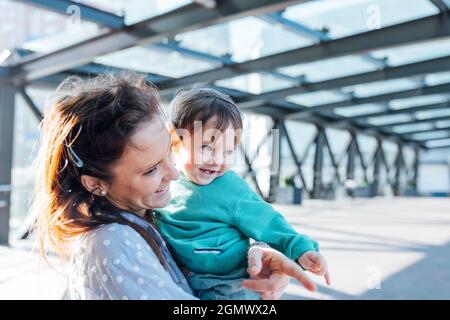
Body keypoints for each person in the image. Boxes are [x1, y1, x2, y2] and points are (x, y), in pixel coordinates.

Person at [32, 73, 318, 300]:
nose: (172, 173)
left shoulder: (139, 217)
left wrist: (255, 253)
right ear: (96, 184)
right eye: (151, 169)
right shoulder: (113, 243)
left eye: (169, 152)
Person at [155, 88, 331, 300]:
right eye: (207, 148)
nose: (217, 160)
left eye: (228, 152)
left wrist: (301, 249)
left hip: (228, 284)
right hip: (189, 278)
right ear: (175, 140)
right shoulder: (167, 180)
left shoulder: (230, 188)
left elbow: (267, 220)